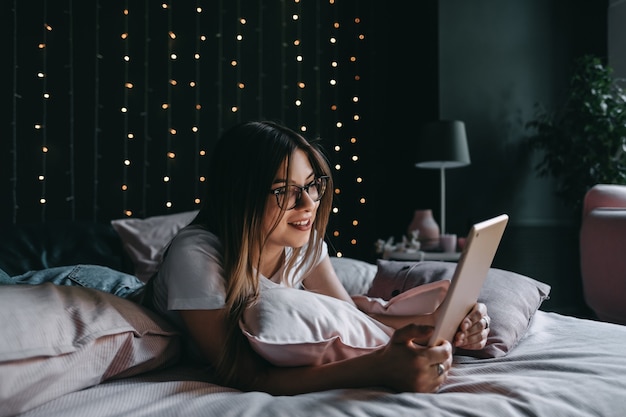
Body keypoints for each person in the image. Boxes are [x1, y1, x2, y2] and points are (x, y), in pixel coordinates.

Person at [144, 120, 490, 395]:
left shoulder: (302, 245)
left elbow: (354, 320)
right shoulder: (196, 256)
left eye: (312, 185)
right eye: (283, 191)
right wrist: (380, 368)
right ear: (241, 198)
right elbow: (245, 375)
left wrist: (442, 322)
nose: (308, 203)